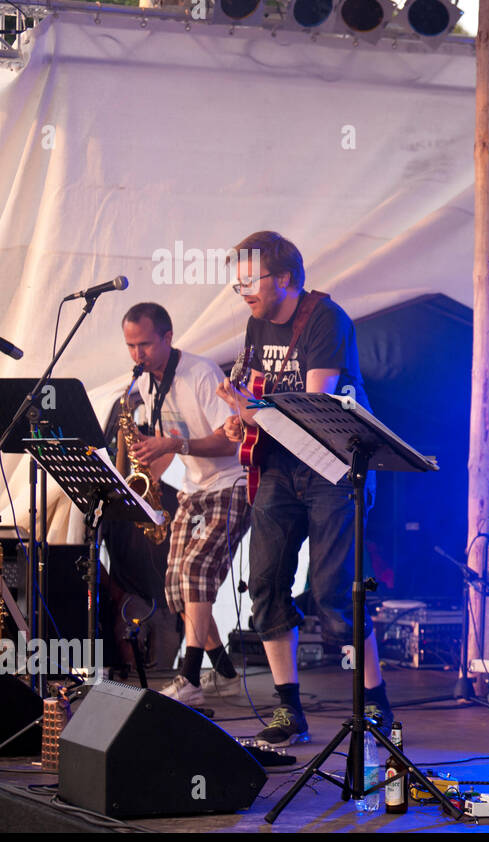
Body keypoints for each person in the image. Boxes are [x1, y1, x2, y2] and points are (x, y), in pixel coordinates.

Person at [216, 231, 390, 748]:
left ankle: (375, 703)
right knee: (265, 584)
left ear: (285, 278)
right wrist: (240, 420)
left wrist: (254, 414)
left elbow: (314, 410)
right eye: (238, 281)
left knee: (335, 595)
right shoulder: (255, 322)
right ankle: (287, 707)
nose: (242, 289)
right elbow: (258, 394)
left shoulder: (324, 319)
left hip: (330, 467)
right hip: (277, 466)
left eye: (251, 279)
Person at [119, 303, 250, 705]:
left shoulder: (200, 373)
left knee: (195, 572)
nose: (137, 355)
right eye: (130, 346)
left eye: (144, 344)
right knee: (177, 585)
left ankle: (190, 676)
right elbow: (166, 444)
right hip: (194, 489)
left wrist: (173, 444)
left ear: (168, 337)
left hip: (231, 484)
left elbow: (230, 441)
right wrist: (139, 481)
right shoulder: (145, 384)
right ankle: (225, 673)